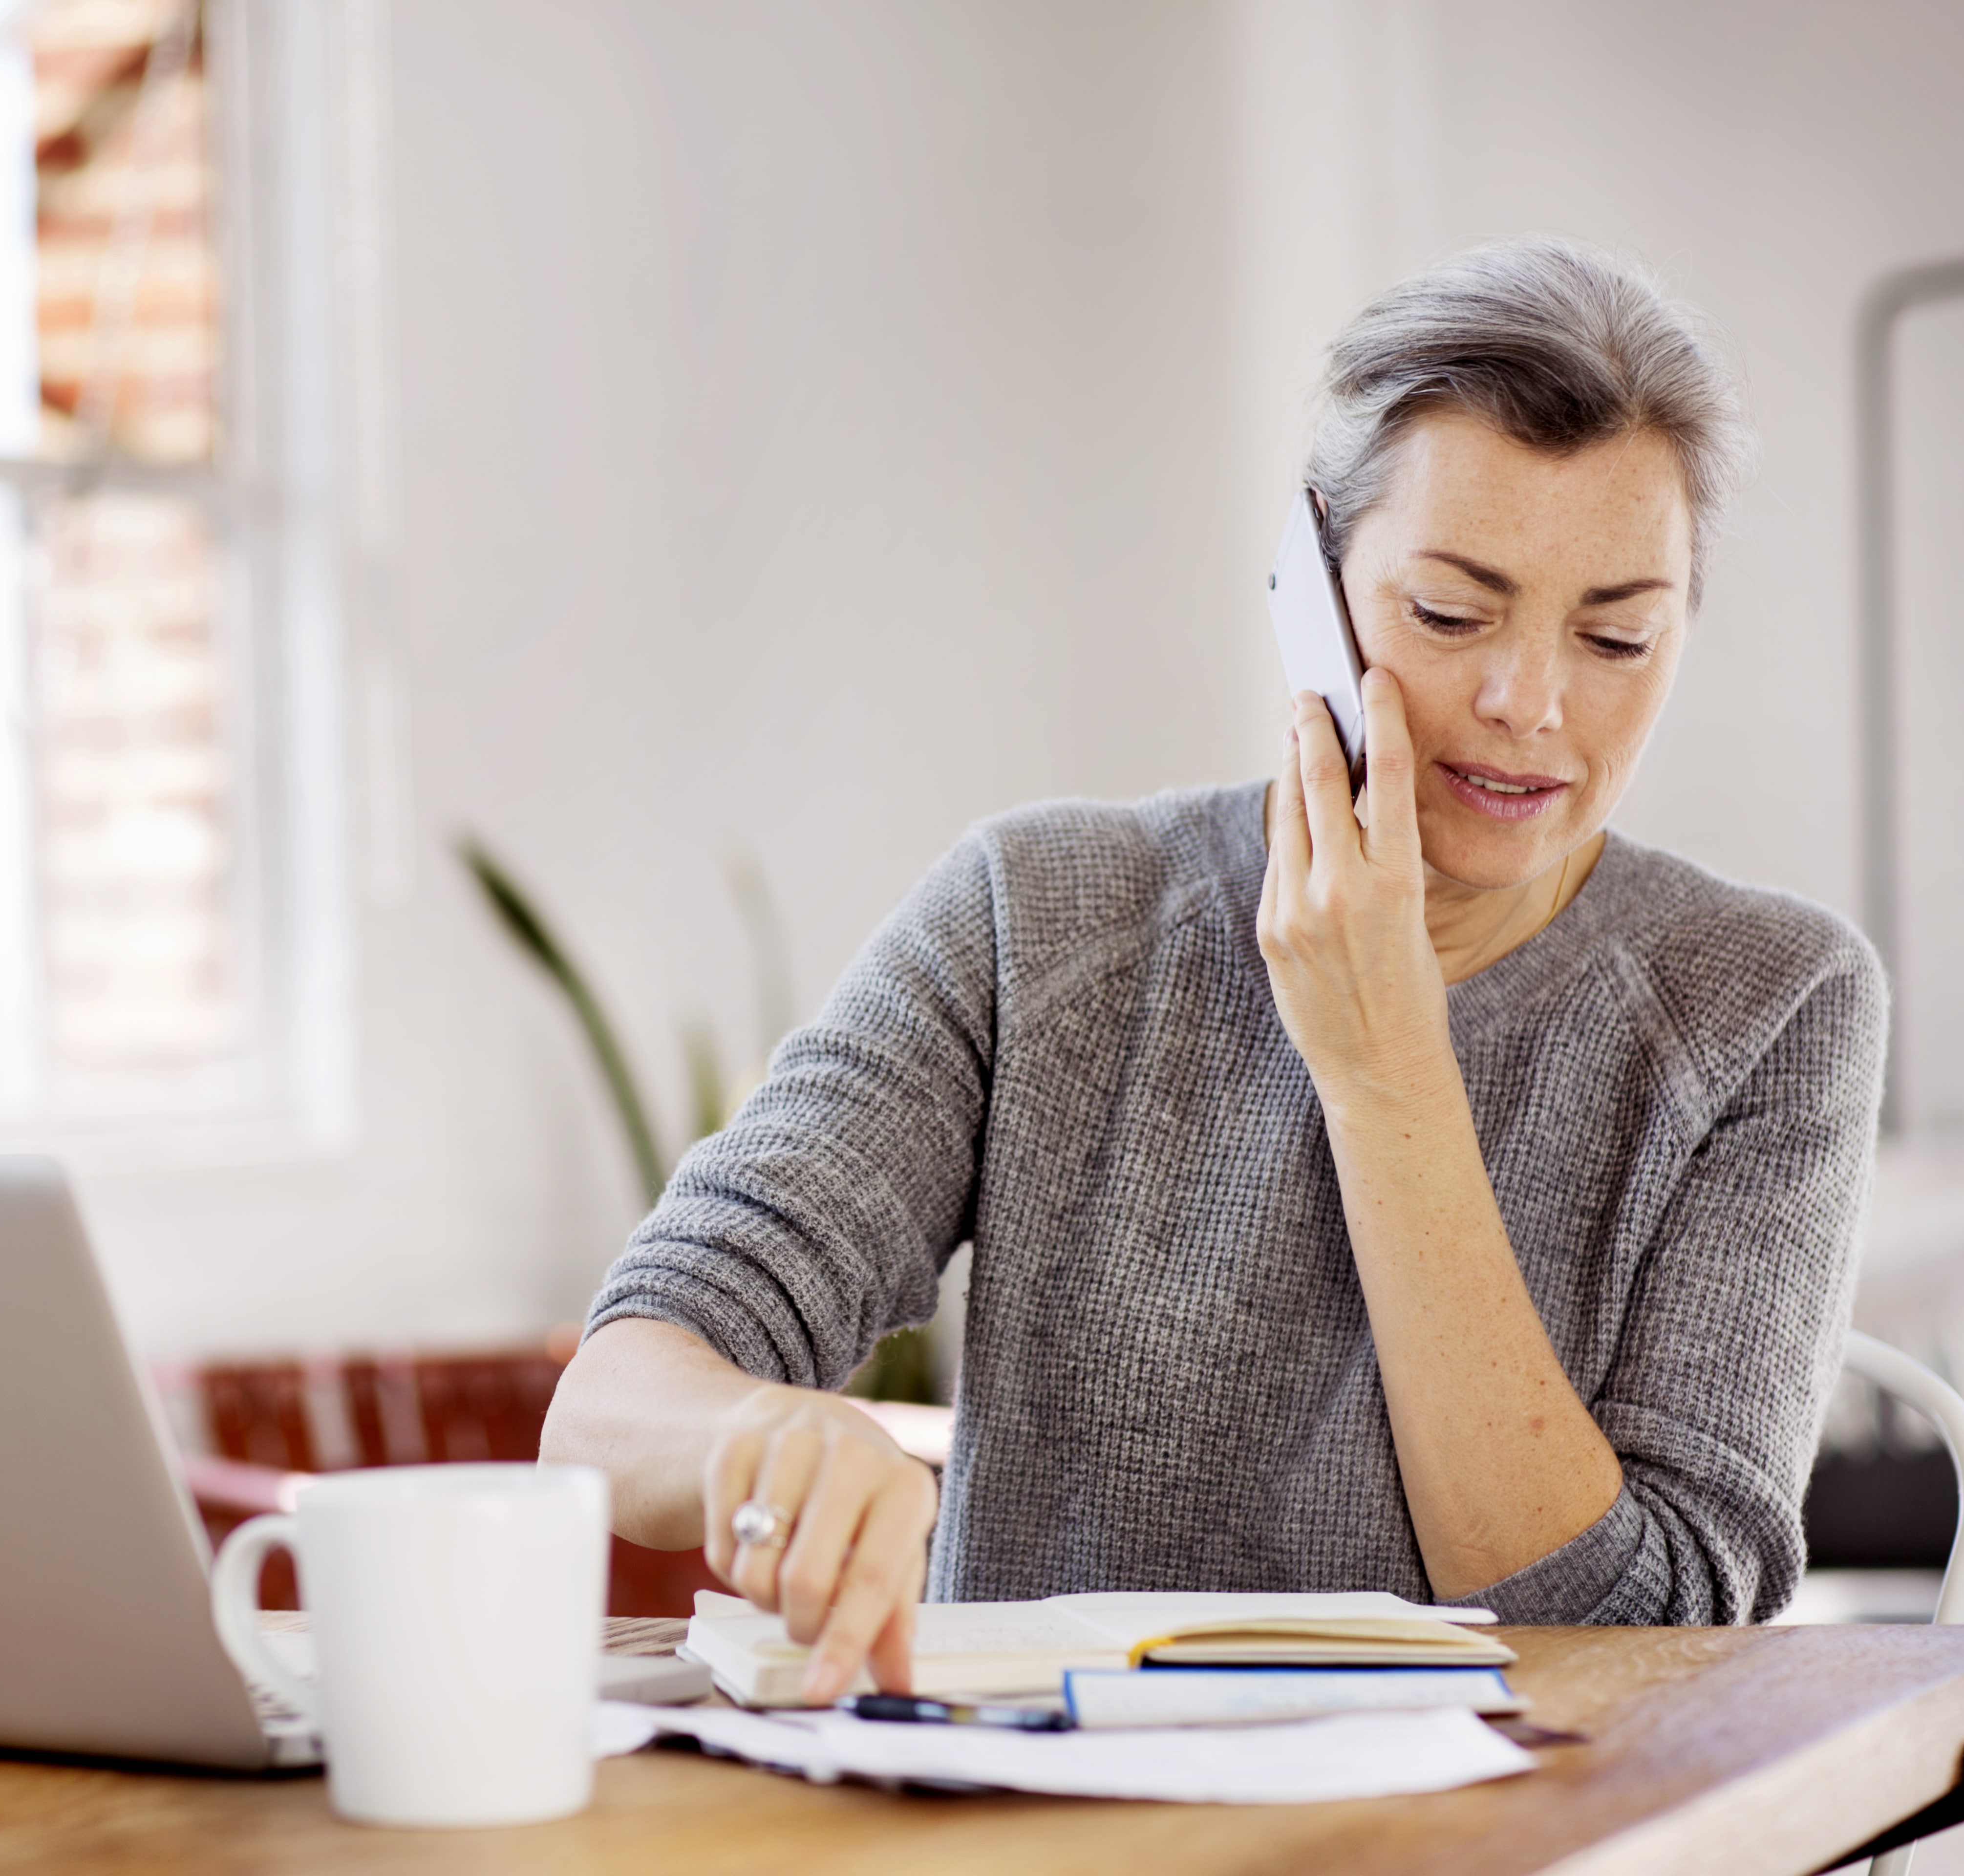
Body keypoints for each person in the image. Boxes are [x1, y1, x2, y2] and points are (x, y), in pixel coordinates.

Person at [541, 236, 1884, 1704]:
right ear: (1306, 583)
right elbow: (608, 1411)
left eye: (1619, 633)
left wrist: (1387, 1079)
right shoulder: (1041, 915)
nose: (1530, 702)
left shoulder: (1774, 1008)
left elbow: (1655, 1639)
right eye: (1450, 614)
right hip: (1046, 1836)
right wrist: (757, 1446)